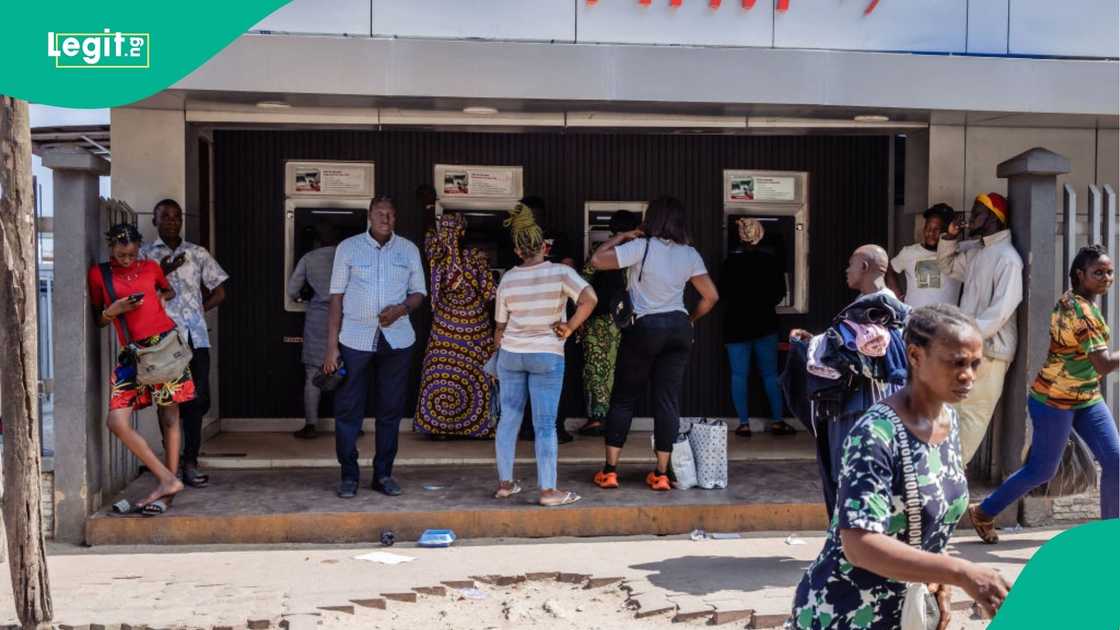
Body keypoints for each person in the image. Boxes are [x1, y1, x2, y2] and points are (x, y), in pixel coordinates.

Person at [788, 305, 1011, 629]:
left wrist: (938, 584)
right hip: (846, 613)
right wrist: (960, 572)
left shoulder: (948, 423)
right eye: (956, 363)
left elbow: (932, 518)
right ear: (915, 356)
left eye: (975, 364)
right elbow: (859, 545)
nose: (969, 376)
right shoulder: (876, 435)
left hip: (903, 612)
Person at [969, 245, 1120, 542]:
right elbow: (1102, 363)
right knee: (1041, 470)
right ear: (1080, 275)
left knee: (1115, 461)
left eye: (1110, 272)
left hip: (1085, 397)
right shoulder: (1080, 312)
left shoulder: (1077, 302)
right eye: (1098, 272)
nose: (1107, 278)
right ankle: (984, 511)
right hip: (1054, 400)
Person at [589, 195, 719, 491]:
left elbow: (597, 260)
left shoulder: (641, 247)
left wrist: (620, 237)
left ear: (652, 219)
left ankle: (610, 471)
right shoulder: (690, 254)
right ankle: (661, 474)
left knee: (624, 398)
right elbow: (710, 297)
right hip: (678, 328)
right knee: (667, 401)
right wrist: (690, 320)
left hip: (645, 327)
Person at [786, 244, 911, 517]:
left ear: (865, 267)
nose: (846, 270)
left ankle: (850, 546)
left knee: (852, 478)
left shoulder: (880, 309)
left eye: (851, 264)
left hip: (858, 407)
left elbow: (854, 355)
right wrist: (816, 343)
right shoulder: (878, 308)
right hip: (877, 406)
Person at [492, 203, 597, 506]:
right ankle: (549, 491)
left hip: (512, 354)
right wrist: (569, 326)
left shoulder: (508, 279)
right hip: (546, 356)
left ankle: (505, 484)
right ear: (544, 245)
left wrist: (503, 341)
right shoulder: (562, 273)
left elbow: (500, 326)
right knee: (545, 424)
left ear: (517, 249)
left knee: (509, 418)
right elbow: (590, 298)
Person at [323, 195, 427, 499]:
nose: (386, 218)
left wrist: (402, 309)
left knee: (390, 410)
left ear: (396, 218)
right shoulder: (348, 248)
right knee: (347, 410)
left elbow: (419, 292)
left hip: (397, 339)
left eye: (391, 214)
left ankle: (383, 474)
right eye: (380, 213)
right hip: (354, 339)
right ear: (369, 215)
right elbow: (336, 298)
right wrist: (332, 346)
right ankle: (349, 476)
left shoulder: (408, 250)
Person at [88, 224, 194, 515]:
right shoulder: (99, 275)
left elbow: (167, 289)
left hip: (165, 348)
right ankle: (167, 479)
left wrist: (163, 298)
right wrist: (114, 311)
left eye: (132, 254)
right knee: (116, 422)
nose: (127, 260)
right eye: (122, 254)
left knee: (170, 417)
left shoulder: (151, 267)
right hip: (133, 355)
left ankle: (167, 494)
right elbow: (98, 318)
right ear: (111, 247)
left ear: (139, 249)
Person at [140, 199, 228, 488]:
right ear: (154, 220)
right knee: (168, 401)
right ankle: (173, 464)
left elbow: (220, 291)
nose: (171, 221)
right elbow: (138, 294)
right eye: (165, 216)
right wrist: (161, 272)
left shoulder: (196, 253)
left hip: (195, 337)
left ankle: (190, 461)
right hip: (161, 340)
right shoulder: (144, 256)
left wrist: (197, 310)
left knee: (198, 399)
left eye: (176, 216)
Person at [937, 192, 1023, 463]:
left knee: (972, 417)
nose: (971, 218)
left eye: (977, 213)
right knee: (954, 413)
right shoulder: (978, 251)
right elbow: (947, 265)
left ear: (993, 218)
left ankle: (950, 480)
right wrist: (950, 238)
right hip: (969, 347)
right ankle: (946, 479)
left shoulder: (1008, 258)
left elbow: (1000, 312)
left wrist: (968, 337)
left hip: (991, 351)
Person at [415, 212, 498, 438]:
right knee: (475, 377)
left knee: (441, 372)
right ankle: (477, 428)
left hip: (443, 329)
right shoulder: (475, 257)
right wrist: (497, 328)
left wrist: (428, 206)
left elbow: (428, 232)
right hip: (476, 330)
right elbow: (491, 294)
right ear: (463, 232)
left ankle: (438, 427)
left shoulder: (436, 254)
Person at [721, 217, 795, 438]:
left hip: (735, 325)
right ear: (760, 235)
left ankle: (743, 424)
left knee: (738, 375)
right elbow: (780, 293)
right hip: (765, 324)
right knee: (771, 374)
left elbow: (723, 293)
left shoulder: (728, 263)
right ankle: (778, 421)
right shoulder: (770, 261)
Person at [576, 209, 641, 437]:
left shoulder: (600, 252)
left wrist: (579, 316)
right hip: (628, 320)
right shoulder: (638, 252)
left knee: (596, 368)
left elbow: (582, 280)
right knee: (619, 369)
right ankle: (615, 418)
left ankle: (597, 418)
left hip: (599, 318)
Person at [287, 224, 340, 439]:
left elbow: (292, 290)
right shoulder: (348, 256)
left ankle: (310, 425)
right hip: (346, 318)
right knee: (346, 372)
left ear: (318, 240)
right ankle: (349, 423)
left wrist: (304, 298)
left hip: (318, 318)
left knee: (313, 373)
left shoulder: (309, 258)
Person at [886, 203, 962, 308]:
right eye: (928, 228)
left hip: (946, 321)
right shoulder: (909, 253)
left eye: (937, 229)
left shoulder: (959, 252)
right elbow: (889, 270)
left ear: (948, 230)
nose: (930, 233)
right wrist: (898, 296)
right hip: (915, 320)